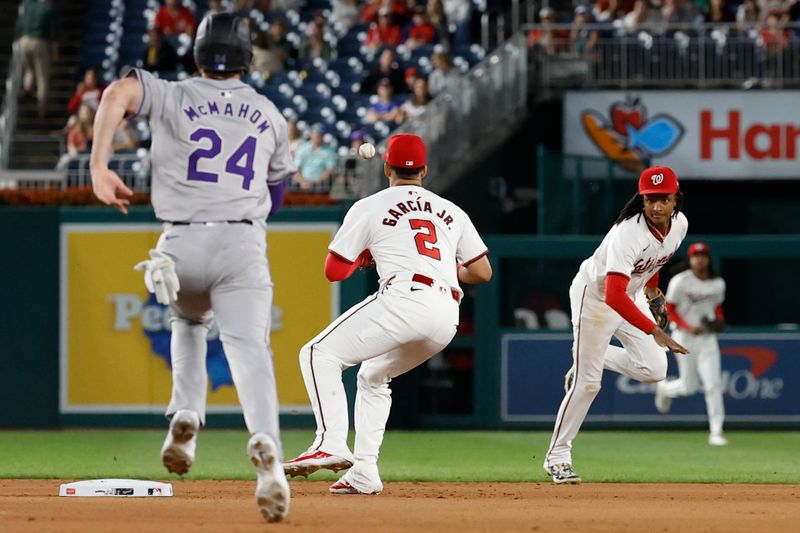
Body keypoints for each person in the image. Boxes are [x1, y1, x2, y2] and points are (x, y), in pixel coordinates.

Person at [89, 13, 292, 522]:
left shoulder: (172, 94)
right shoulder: (268, 112)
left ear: (197, 53)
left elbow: (115, 94)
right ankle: (266, 448)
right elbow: (279, 191)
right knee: (248, 347)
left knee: (187, 322)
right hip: (241, 239)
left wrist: (98, 166)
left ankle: (185, 415)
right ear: (247, 55)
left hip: (180, 239)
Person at [283, 133, 493, 495]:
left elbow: (334, 272)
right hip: (445, 315)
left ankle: (330, 442)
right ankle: (364, 471)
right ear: (425, 170)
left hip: (405, 298)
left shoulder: (370, 205)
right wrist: (443, 271)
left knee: (318, 353)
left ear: (385, 168)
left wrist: (366, 256)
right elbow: (482, 272)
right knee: (374, 377)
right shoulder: (452, 210)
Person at [542, 166, 689, 484]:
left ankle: (589, 359)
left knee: (654, 370)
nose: (657, 207)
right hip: (595, 297)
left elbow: (656, 261)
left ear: (676, 199)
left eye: (663, 199)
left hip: (631, 294)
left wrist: (652, 292)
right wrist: (656, 330)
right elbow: (612, 295)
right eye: (650, 199)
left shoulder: (679, 226)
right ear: (642, 199)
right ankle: (558, 458)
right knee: (589, 384)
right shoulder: (628, 233)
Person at [655, 242, 728, 446]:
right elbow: (670, 308)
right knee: (688, 387)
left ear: (708, 259)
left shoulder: (718, 283)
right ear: (690, 259)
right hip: (684, 337)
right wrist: (687, 326)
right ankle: (664, 389)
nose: (700, 259)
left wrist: (719, 320)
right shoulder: (681, 281)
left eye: (703, 255)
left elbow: (717, 308)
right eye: (696, 256)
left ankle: (716, 431)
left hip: (707, 339)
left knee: (713, 385)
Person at [15, 0, 60, 119]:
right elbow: (53, 34)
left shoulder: (28, 5)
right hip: (39, 42)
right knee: (42, 77)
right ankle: (42, 108)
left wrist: (18, 38)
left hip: (24, 41)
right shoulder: (49, 9)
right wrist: (55, 52)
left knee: (30, 68)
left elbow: (20, 24)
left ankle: (28, 87)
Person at [293, 124, 339, 190]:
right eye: (316, 135)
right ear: (311, 135)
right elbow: (295, 169)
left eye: (320, 135)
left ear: (323, 136)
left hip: (321, 186)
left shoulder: (329, 151)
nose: (317, 138)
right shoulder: (302, 149)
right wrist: (303, 182)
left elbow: (330, 170)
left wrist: (315, 183)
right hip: (301, 185)